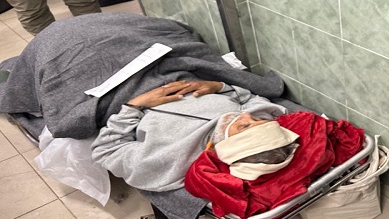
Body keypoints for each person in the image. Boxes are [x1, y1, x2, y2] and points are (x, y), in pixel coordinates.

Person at [91, 80, 298, 192]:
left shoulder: (168, 157)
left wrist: (134, 106)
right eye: (256, 119)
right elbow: (247, 98)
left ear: (229, 146)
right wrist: (219, 87)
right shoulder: (256, 116)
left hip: (120, 89)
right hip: (178, 69)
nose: (245, 115)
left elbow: (106, 151)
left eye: (244, 126)